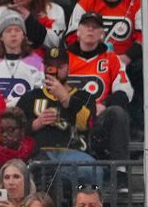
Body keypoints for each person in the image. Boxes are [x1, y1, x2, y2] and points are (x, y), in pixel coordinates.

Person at [65, 0, 148, 130]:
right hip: (92, 60)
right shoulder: (86, 2)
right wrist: (95, 54)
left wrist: (125, 58)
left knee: (145, 68)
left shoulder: (136, 2)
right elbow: (72, 37)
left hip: (125, 60)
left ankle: (137, 126)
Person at [17, 45, 99, 188]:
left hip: (74, 154)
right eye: (50, 66)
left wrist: (66, 99)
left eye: (60, 66)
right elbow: (13, 129)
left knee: (95, 171)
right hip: (39, 154)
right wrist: (36, 123)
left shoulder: (84, 96)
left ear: (68, 67)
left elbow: (87, 125)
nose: (55, 71)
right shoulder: (30, 97)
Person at [67, 11, 133, 164]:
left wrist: (103, 105)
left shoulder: (112, 59)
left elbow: (124, 92)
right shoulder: (65, 57)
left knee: (118, 113)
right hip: (68, 115)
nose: (90, 29)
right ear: (78, 31)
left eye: (95, 27)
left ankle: (120, 171)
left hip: (98, 118)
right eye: (86, 25)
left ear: (102, 34)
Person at [0, 11, 44, 107]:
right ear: (1, 36)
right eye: (8, 30)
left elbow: (40, 93)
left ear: (23, 35)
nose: (13, 34)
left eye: (17, 30)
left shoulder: (37, 62)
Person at [0, 0, 66, 51]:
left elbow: (56, 43)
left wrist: (30, 21)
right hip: (8, 61)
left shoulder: (53, 10)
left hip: (44, 63)